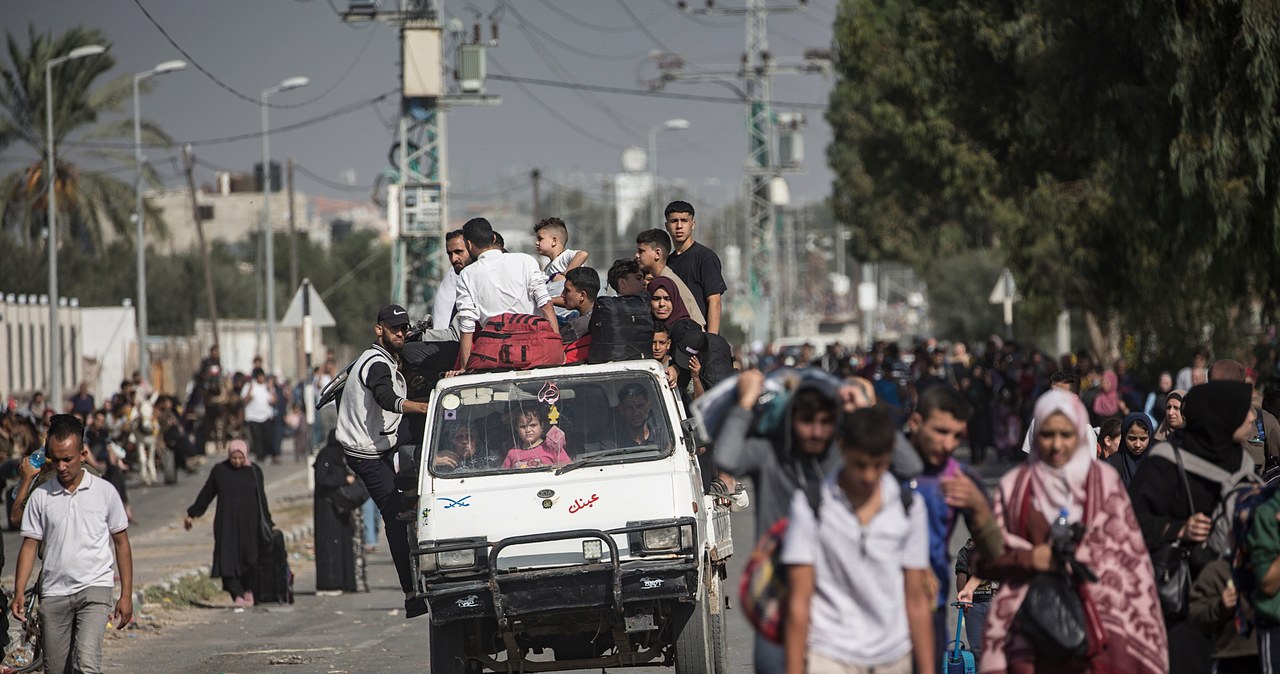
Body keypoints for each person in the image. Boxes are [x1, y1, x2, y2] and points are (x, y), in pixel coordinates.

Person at [716, 369, 923, 673]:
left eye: (826, 422)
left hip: (836, 598)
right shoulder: (769, 454)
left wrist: (864, 410)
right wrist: (745, 403)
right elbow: (726, 459)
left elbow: (909, 465)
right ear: (790, 419)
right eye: (807, 422)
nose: (816, 432)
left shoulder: (843, 454)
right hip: (780, 595)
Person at [973, 390, 1168, 673]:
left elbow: (1131, 564)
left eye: (1066, 434)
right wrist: (1029, 560)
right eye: (1047, 434)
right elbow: (983, 558)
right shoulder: (1015, 487)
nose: (1056, 444)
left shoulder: (1104, 483)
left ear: (1079, 434)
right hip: (1028, 635)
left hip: (1096, 632)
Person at [782, 407, 933, 674]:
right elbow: (799, 600)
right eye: (860, 464)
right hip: (829, 654)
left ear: (892, 452)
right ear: (842, 447)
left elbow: (917, 598)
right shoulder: (810, 506)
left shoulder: (910, 507)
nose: (868, 476)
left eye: (879, 465)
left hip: (894, 656)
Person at [1129, 380, 1258, 674]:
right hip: (1178, 607)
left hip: (1233, 606)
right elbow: (1130, 524)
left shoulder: (1242, 463)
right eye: (1243, 410)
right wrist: (1179, 529)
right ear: (1220, 415)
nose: (1252, 417)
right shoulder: (1165, 463)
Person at [13, 415, 133, 674]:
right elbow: (29, 546)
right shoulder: (40, 496)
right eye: (55, 460)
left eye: (67, 459)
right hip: (54, 592)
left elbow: (122, 543)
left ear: (82, 454)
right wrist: (19, 590)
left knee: (86, 665)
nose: (61, 466)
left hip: (95, 589)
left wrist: (125, 594)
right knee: (56, 669)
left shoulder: (104, 492)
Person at [337, 304, 431, 618]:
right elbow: (385, 397)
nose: (401, 334)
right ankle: (409, 593)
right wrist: (420, 407)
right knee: (393, 514)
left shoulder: (385, 356)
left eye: (404, 328)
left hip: (384, 438)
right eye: (395, 329)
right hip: (366, 452)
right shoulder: (377, 363)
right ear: (379, 330)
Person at [905, 385, 997, 665]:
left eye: (957, 435)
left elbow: (996, 550)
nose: (949, 444)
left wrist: (980, 510)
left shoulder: (958, 478)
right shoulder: (879, 466)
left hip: (928, 612)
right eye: (941, 432)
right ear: (916, 422)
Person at [453, 217, 558, 369]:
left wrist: (465, 367)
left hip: (495, 355)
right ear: (494, 238)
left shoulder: (467, 275)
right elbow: (545, 304)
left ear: (469, 244)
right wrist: (556, 345)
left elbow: (467, 324)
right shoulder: (525, 261)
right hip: (534, 349)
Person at [183, 439, 273, 607]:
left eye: (240, 458)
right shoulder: (220, 471)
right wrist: (192, 514)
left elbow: (262, 498)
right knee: (227, 559)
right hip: (226, 524)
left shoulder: (254, 471)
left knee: (251, 559)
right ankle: (236, 593)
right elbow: (207, 494)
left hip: (250, 524)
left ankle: (249, 590)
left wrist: (268, 522)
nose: (237, 461)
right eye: (234, 458)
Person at [663, 201, 726, 334]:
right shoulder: (667, 262)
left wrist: (711, 343)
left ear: (693, 224)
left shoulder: (705, 258)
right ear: (667, 226)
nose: (679, 226)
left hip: (700, 339)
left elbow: (714, 302)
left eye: (684, 220)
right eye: (674, 221)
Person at [314, 432, 363, 595]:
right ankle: (330, 583)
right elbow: (322, 478)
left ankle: (343, 581)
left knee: (342, 542)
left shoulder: (339, 455)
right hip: (327, 507)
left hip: (340, 507)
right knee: (329, 544)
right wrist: (343, 479)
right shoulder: (327, 455)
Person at [1189, 557, 1257, 674]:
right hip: (1230, 658)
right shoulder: (1217, 571)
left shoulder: (1272, 572)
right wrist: (1220, 606)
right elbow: (1196, 615)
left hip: (1271, 653)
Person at [635, 229, 705, 328]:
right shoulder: (662, 279)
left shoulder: (671, 284)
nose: (637, 255)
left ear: (657, 254)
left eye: (641, 251)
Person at [954, 538, 996, 663]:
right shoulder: (966, 551)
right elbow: (961, 576)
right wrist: (963, 595)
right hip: (974, 604)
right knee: (978, 649)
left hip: (996, 601)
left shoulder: (997, 545)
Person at [501, 406, 570, 469]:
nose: (528, 430)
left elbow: (568, 467)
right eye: (523, 427)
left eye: (533, 425)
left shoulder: (551, 447)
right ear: (517, 429)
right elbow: (503, 476)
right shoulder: (512, 453)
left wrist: (549, 467)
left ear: (542, 426)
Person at [430, 229, 471, 330]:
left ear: (471, 248)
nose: (453, 259)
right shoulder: (458, 274)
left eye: (458, 252)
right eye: (450, 254)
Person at [1105, 412, 1154, 487]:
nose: (1137, 444)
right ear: (1124, 436)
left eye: (1142, 439)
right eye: (1132, 438)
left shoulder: (1155, 464)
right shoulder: (1112, 463)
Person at [534, 217, 588, 283]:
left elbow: (582, 254)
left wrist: (567, 274)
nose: (536, 242)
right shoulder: (546, 270)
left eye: (540, 239)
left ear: (554, 241)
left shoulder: (565, 256)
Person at [241, 368, 276, 462]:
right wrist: (249, 391)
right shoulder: (249, 386)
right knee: (257, 437)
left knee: (266, 437)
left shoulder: (267, 386)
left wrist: (271, 389)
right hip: (253, 417)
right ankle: (259, 456)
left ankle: (265, 454)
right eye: (260, 376)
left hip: (266, 416)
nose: (262, 378)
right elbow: (244, 400)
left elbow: (274, 400)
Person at [559, 266, 598, 344]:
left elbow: (553, 342)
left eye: (567, 290)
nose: (562, 295)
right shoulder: (600, 314)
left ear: (582, 296)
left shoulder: (577, 326)